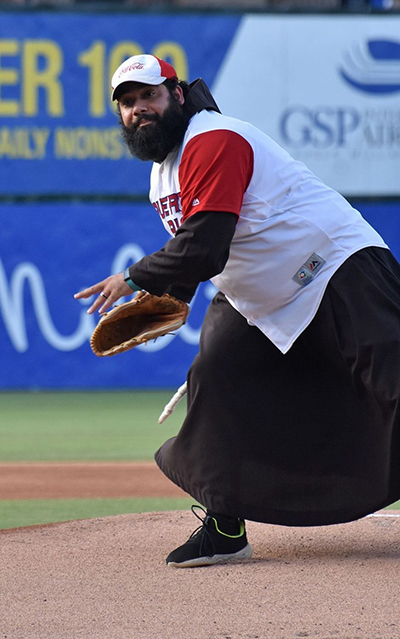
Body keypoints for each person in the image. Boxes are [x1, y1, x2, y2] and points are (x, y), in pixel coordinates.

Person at [75, 54, 400, 569]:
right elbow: (197, 245)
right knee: (217, 376)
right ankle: (226, 528)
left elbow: (206, 245)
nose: (140, 109)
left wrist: (135, 278)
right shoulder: (165, 172)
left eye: (150, 95)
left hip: (334, 264)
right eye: (129, 103)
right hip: (262, 296)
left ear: (177, 95)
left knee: (392, 377)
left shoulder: (215, 139)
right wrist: (173, 299)